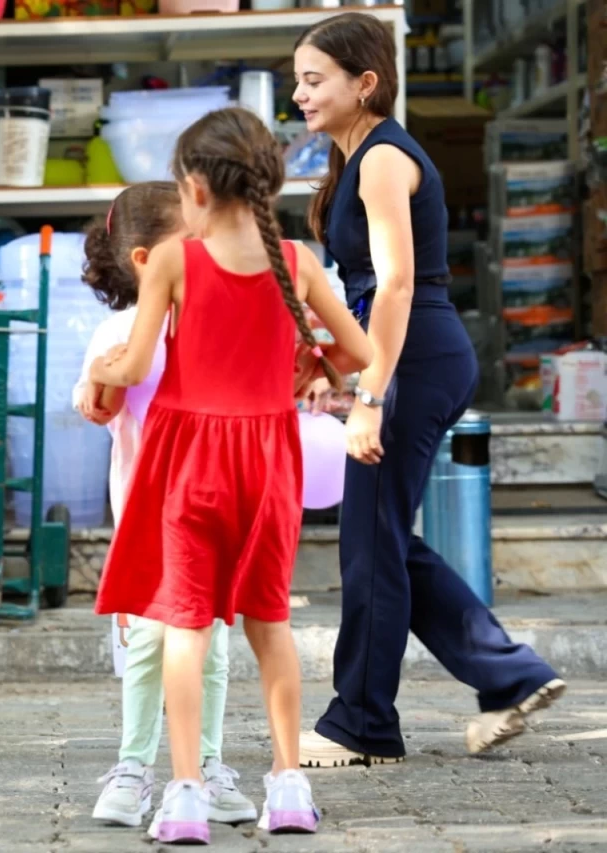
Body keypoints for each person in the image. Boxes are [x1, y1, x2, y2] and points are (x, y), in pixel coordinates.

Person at [90, 107, 372, 844]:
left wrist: (99, 373)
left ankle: (184, 793)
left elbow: (134, 360)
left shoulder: (179, 261)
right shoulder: (300, 264)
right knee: (269, 624)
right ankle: (288, 785)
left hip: (190, 461)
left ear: (195, 190)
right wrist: (311, 366)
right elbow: (360, 353)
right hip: (269, 463)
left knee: (186, 627)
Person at [291, 13, 565, 768]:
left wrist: (371, 393)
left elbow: (399, 283)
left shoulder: (382, 159)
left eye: (315, 80)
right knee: (380, 536)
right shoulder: (353, 161)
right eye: (298, 80)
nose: (299, 94)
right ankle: (509, 673)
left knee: (370, 541)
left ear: (365, 82)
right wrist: (337, 369)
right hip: (406, 352)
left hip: (416, 354)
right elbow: (365, 291)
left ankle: (364, 722)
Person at [74, 182, 256, 829]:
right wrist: (99, 378)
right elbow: (94, 401)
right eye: (196, 240)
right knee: (150, 641)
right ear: (150, 258)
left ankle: (205, 764)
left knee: (214, 645)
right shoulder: (122, 328)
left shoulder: (225, 315)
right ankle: (134, 766)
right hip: (148, 520)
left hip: (217, 512)